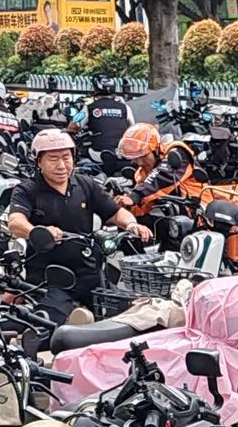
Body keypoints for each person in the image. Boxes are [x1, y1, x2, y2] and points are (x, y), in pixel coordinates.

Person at [8, 128, 150, 308]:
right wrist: (37, 231)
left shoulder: (85, 184)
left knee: (131, 309)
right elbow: (15, 222)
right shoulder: (27, 189)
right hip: (49, 277)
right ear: (38, 161)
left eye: (66, 157)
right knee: (54, 319)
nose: (61, 165)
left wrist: (131, 224)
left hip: (88, 271)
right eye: (53, 159)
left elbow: (114, 212)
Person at [117, 121, 196, 217]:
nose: (140, 163)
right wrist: (123, 209)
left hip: (200, 215)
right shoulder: (142, 174)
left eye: (144, 156)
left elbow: (163, 175)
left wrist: (135, 196)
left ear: (156, 148)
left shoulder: (177, 151)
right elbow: (144, 205)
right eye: (135, 158)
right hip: (174, 218)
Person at [84, 76, 134, 154]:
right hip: (121, 152)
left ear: (95, 89)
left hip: (98, 152)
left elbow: (73, 127)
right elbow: (132, 128)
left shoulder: (89, 108)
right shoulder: (125, 107)